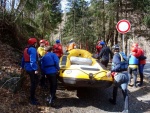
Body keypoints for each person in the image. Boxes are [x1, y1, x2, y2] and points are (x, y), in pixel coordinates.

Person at [107, 44, 129, 113]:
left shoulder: (116, 56)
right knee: (125, 92)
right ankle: (126, 110)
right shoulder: (123, 54)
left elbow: (118, 65)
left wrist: (111, 71)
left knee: (115, 86)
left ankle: (114, 101)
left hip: (119, 75)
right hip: (126, 75)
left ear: (113, 50)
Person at [21, 37, 39, 105]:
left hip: (27, 67)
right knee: (34, 83)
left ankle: (32, 97)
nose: (36, 44)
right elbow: (33, 60)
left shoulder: (26, 49)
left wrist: (22, 67)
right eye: (36, 43)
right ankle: (32, 99)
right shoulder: (32, 49)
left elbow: (23, 59)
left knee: (34, 82)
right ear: (34, 43)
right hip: (31, 68)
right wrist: (35, 69)